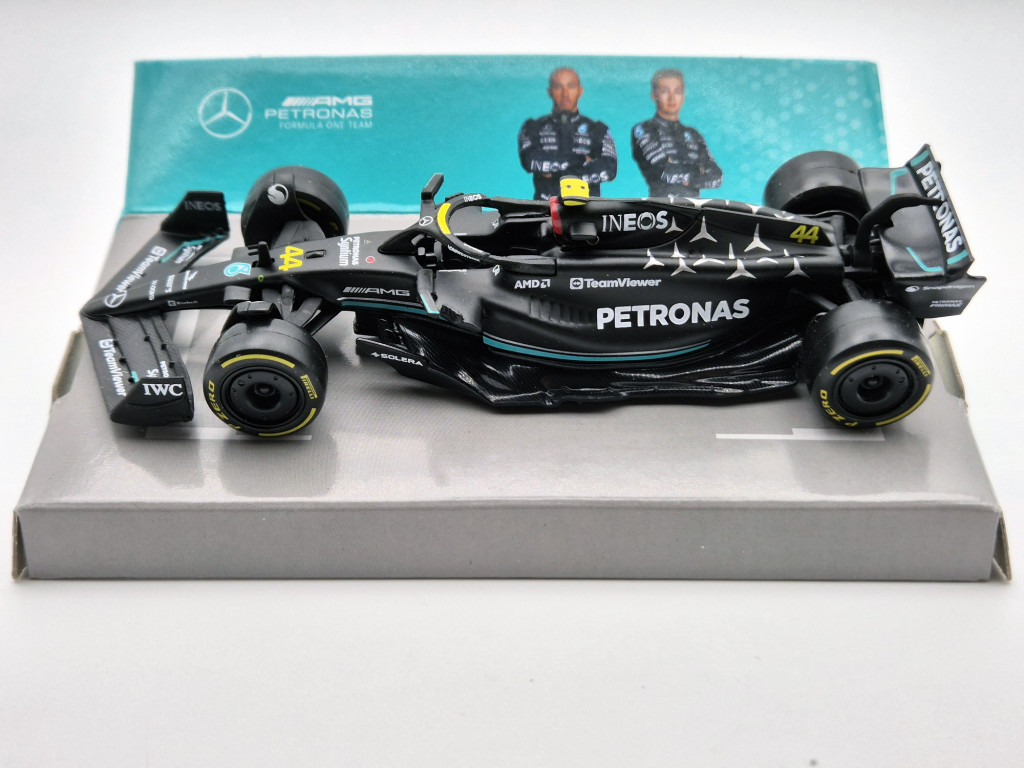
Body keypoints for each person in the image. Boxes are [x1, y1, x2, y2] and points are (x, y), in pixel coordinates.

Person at [517, 68, 617, 200]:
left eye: (571, 86)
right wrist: (581, 160)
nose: (565, 94)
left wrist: (555, 172)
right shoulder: (532, 127)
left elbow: (609, 169)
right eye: (558, 87)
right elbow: (530, 161)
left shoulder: (598, 129)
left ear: (580, 91)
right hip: (546, 207)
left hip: (587, 207)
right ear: (550, 92)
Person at [631, 68, 722, 197]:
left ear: (683, 96)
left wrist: (686, 176)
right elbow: (664, 171)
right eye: (664, 91)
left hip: (694, 206)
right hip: (660, 205)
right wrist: (699, 171)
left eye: (677, 92)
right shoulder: (644, 129)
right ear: (654, 95)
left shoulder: (693, 134)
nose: (672, 98)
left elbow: (716, 176)